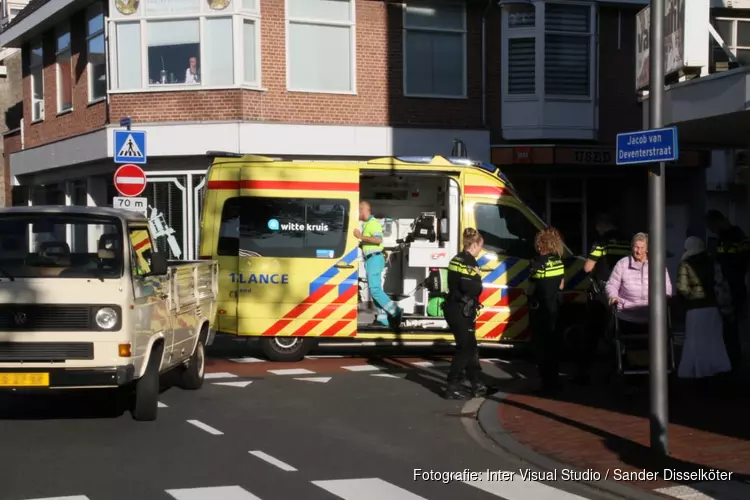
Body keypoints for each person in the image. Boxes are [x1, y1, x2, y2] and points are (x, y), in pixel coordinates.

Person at [576, 213, 631, 384]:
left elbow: (588, 267)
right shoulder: (628, 240)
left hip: (603, 293)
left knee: (592, 331)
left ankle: (583, 374)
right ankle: (620, 368)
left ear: (602, 225)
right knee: (619, 332)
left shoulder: (601, 242)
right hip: (624, 293)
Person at [676, 236, 732, 379]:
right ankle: (716, 369)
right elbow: (720, 285)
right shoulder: (713, 262)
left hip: (694, 310)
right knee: (713, 339)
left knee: (695, 341)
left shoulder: (685, 263)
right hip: (712, 309)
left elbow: (682, 289)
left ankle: (697, 370)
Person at [444, 228, 486, 400]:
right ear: (474, 244)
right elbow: (470, 287)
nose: (480, 250)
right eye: (480, 247)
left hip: (455, 308)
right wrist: (478, 284)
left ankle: (477, 383)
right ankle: (452, 385)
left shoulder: (456, 258)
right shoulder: (469, 262)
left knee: (471, 347)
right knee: (465, 349)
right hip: (462, 310)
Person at [706, 209, 748, 371]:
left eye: (711, 226)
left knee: (733, 326)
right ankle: (731, 360)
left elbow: (739, 261)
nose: (711, 229)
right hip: (727, 287)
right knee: (728, 327)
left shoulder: (735, 235)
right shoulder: (724, 237)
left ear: (717, 222)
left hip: (733, 288)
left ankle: (734, 362)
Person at [606, 232, 673, 330]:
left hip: (652, 314)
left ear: (647, 249)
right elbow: (611, 285)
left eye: (642, 248)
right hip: (627, 313)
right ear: (632, 247)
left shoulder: (656, 264)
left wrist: (664, 297)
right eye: (636, 247)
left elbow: (667, 286)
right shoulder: (622, 264)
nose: (639, 251)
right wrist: (613, 296)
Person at [528, 227, 566, 394]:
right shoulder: (558, 262)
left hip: (540, 309)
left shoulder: (537, 263)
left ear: (540, 245)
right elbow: (561, 285)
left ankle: (545, 383)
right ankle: (555, 381)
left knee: (541, 346)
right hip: (554, 308)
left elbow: (530, 288)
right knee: (553, 345)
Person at [353, 201, 402, 327]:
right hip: (371, 259)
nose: (357, 214)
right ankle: (382, 318)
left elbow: (378, 239)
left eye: (359, 211)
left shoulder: (373, 223)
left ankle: (395, 311)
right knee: (375, 289)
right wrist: (361, 243)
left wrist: (361, 237)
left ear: (363, 210)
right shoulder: (368, 224)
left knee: (374, 290)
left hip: (374, 259)